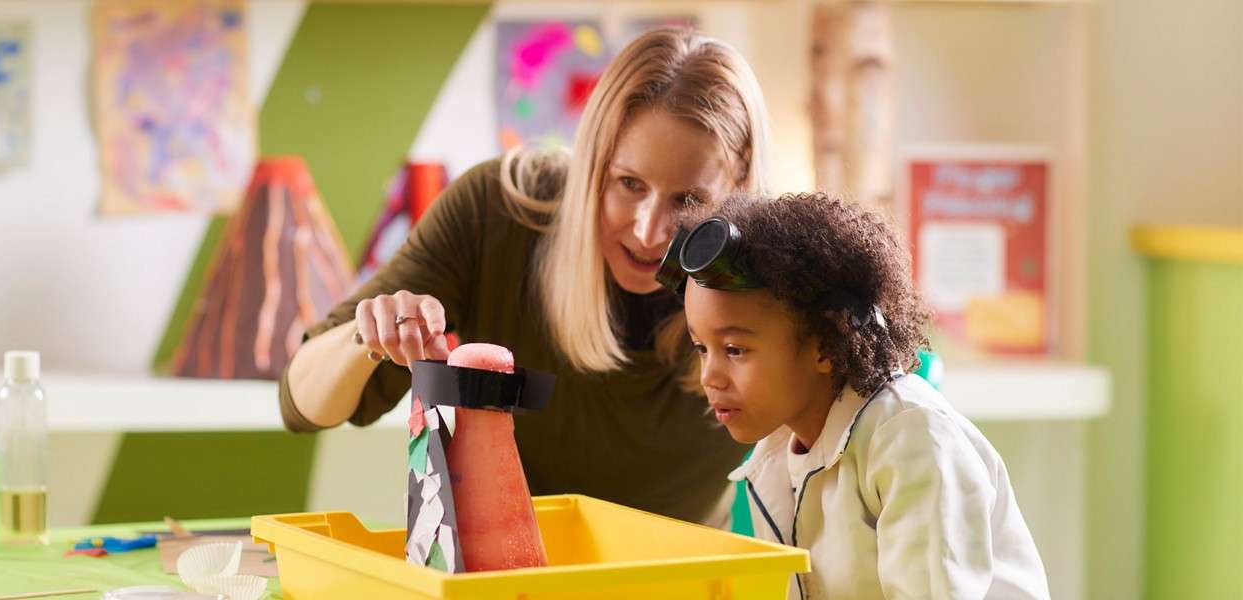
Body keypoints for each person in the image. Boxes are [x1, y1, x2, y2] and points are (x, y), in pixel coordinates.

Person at [279, 28, 771, 525]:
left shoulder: (774, 268)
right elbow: (302, 405)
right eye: (628, 183)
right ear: (591, 164)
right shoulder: (499, 211)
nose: (649, 231)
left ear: (740, 186)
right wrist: (372, 332)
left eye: (688, 201)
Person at [672, 193, 1050, 598]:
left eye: (734, 350)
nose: (709, 376)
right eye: (701, 348)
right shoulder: (779, 451)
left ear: (824, 344)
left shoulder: (911, 438)